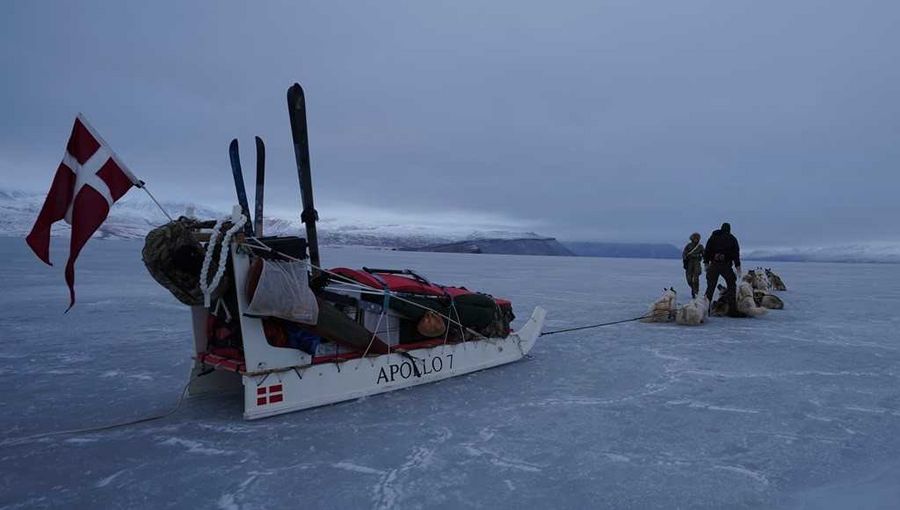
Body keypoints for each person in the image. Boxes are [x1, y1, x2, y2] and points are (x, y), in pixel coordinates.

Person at [703, 222, 745, 317]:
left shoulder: (713, 237)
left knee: (710, 287)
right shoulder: (732, 238)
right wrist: (738, 266)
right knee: (731, 286)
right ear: (729, 229)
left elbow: (707, 250)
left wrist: (706, 263)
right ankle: (732, 310)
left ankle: (705, 310)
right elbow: (736, 253)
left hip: (714, 265)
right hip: (726, 265)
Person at [682, 232, 704, 298]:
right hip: (689, 263)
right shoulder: (688, 246)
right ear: (692, 238)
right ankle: (693, 289)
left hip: (697, 263)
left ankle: (696, 292)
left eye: (697, 238)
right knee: (689, 279)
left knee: (696, 279)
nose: (696, 239)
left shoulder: (700, 246)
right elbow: (684, 254)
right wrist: (685, 260)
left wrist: (701, 257)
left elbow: (704, 254)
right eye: (695, 238)